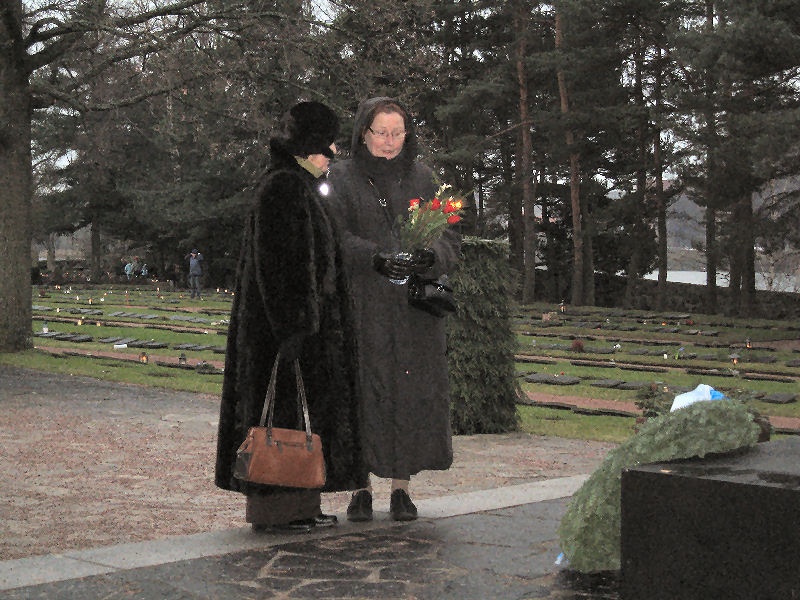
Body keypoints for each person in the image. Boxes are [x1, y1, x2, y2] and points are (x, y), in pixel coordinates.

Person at [215, 101, 367, 533]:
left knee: (301, 422)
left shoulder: (297, 185)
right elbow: (280, 266)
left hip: (297, 331)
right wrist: (294, 327)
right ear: (307, 145)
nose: (333, 152)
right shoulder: (284, 187)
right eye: (327, 144)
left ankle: (301, 505)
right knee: (282, 420)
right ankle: (278, 511)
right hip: (284, 334)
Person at [326, 97, 460, 522]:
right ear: (363, 133)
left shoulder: (422, 177)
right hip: (363, 306)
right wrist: (374, 257)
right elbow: (333, 234)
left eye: (397, 133)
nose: (389, 141)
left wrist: (430, 256)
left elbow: (449, 236)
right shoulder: (341, 177)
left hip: (412, 313)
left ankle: (402, 487)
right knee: (364, 394)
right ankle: (360, 488)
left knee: (408, 397)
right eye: (381, 132)